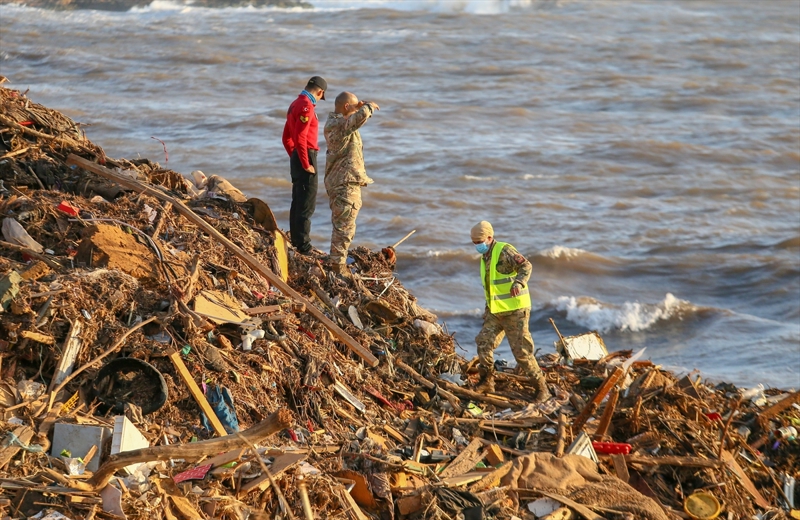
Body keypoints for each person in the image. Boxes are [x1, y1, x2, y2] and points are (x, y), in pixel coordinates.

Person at [471, 220, 551, 402]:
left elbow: (526, 266)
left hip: (515, 311)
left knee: (522, 353)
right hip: (495, 311)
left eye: (480, 242)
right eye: (475, 243)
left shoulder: (504, 251)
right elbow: (492, 287)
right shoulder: (486, 257)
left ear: (490, 237)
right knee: (484, 342)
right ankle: (487, 381)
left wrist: (519, 282)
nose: (477, 246)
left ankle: (542, 388)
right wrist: (488, 310)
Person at [323, 91, 379, 275]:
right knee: (344, 228)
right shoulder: (339, 124)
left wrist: (357, 107)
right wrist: (368, 106)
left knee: (343, 226)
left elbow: (354, 120)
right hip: (344, 183)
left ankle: (337, 263)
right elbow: (359, 118)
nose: (358, 108)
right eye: (354, 106)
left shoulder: (336, 123)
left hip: (341, 182)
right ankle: (338, 268)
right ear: (347, 107)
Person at [282, 76, 327, 254]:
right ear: (320, 92)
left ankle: (296, 240)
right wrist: (305, 162)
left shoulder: (294, 104)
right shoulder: (306, 106)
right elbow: (300, 137)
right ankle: (303, 245)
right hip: (306, 155)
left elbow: (286, 137)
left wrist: (293, 155)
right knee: (307, 202)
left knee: (298, 200)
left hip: (298, 155)